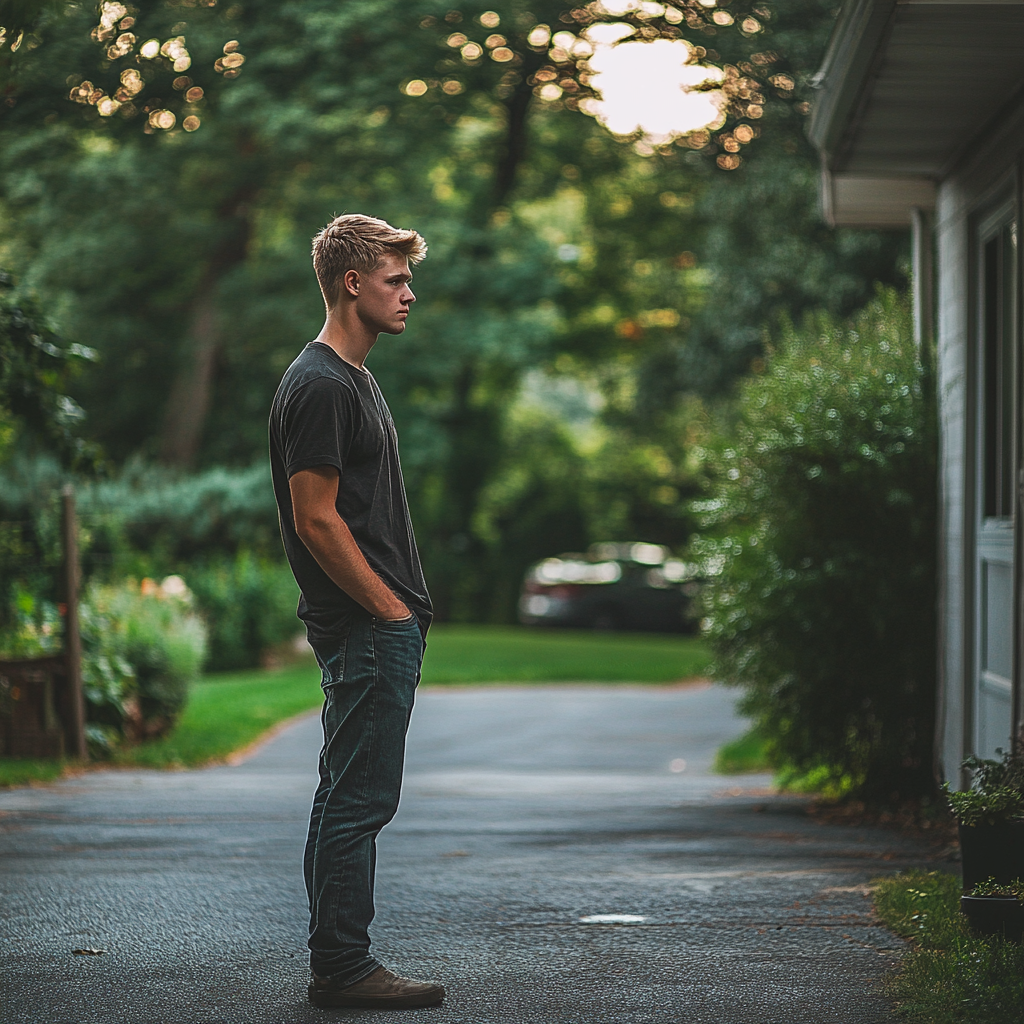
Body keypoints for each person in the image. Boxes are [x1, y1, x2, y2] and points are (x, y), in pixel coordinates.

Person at [268, 213, 444, 1010]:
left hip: (375, 628)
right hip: (370, 629)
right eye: (395, 279)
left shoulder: (352, 379)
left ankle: (337, 959)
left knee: (345, 794)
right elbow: (316, 517)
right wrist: (389, 612)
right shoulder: (321, 385)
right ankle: (343, 967)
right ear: (352, 283)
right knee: (360, 800)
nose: (410, 293)